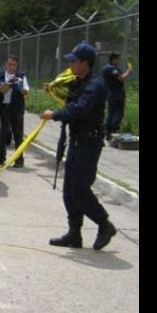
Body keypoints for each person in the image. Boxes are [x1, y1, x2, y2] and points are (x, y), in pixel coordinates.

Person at [40, 42, 117, 251]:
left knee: (80, 190)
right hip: (75, 142)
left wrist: (53, 115)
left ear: (85, 63)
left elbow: (79, 109)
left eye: (75, 61)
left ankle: (105, 224)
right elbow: (71, 101)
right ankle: (74, 233)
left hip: (89, 143)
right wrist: (54, 90)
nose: (71, 64)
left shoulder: (95, 86)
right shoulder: (78, 83)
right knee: (68, 192)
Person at [0, 55, 30, 167]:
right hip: (3, 108)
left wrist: (18, 87)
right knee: (2, 134)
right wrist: (7, 85)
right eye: (9, 64)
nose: (11, 67)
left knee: (18, 135)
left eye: (14, 64)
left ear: (17, 65)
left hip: (16, 109)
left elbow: (26, 91)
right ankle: (0, 159)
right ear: (5, 64)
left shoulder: (21, 77)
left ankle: (19, 160)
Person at [101, 52, 133, 140]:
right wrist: (129, 71)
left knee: (111, 113)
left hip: (110, 94)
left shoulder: (105, 68)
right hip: (117, 94)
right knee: (118, 113)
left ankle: (107, 131)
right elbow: (121, 78)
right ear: (114, 59)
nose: (119, 61)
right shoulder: (113, 69)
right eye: (118, 59)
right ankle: (113, 130)